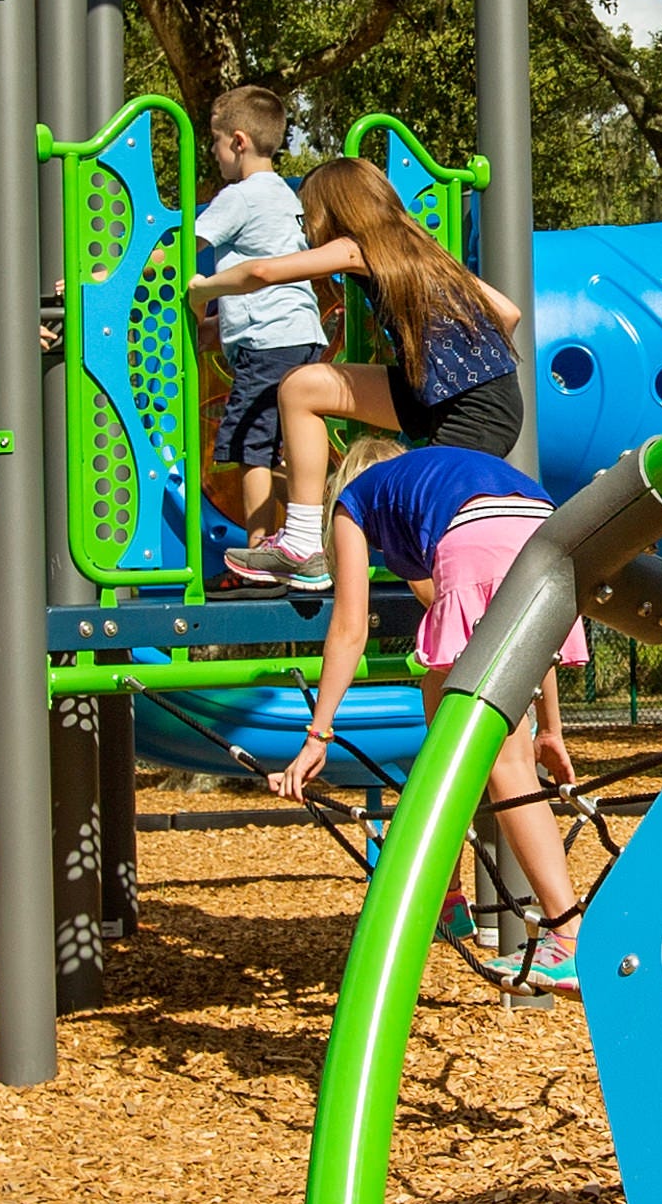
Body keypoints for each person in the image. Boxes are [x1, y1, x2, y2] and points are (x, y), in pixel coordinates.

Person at [264, 440, 587, 990]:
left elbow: (349, 627)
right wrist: (549, 728)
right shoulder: (430, 478)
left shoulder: (354, 501)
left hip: (478, 536)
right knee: (442, 708)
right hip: (549, 528)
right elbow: (526, 644)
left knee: (502, 763)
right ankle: (449, 894)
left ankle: (569, 935)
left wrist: (318, 734)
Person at [204, 162, 527, 590]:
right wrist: (461, 362)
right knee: (302, 387)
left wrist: (203, 289)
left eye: (309, 214)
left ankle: (459, 629)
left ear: (335, 210)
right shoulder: (420, 246)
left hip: (474, 413)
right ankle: (303, 539)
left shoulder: (357, 247)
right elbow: (509, 312)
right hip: (459, 395)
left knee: (412, 519)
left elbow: (263, 272)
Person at [192, 86, 326, 555]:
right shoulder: (285, 196)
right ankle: (316, 524)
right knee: (283, 446)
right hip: (302, 334)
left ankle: (262, 551)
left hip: (269, 343)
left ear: (239, 141)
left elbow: (181, 254)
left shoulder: (239, 196)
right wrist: (216, 329)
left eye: (215, 141)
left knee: (252, 445)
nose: (214, 153)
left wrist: (107, 274)